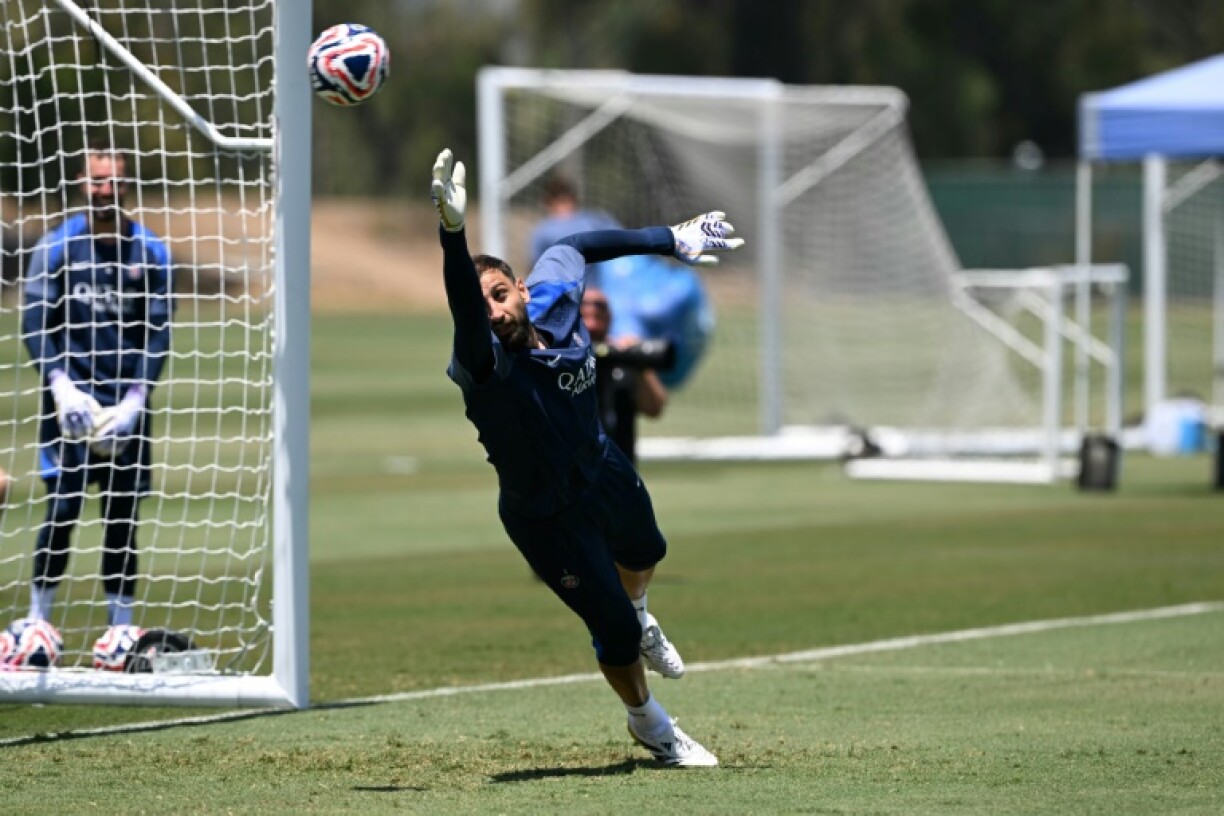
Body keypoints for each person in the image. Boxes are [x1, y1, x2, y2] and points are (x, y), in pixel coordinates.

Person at [431, 148, 742, 767]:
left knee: (648, 552)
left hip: (603, 470)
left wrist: (670, 238)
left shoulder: (555, 296)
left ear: (522, 290)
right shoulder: (484, 363)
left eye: (499, 295)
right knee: (616, 635)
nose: (491, 311)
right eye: (480, 303)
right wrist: (451, 236)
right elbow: (467, 311)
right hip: (543, 516)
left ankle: (641, 611)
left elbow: (577, 242)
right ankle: (650, 724)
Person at [17, 139, 173, 655]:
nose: (105, 190)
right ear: (82, 184)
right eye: (96, 180)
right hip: (71, 408)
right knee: (61, 509)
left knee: (122, 517)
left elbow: (158, 333)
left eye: (114, 181)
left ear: (127, 186)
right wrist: (59, 385)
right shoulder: (57, 247)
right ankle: (38, 620)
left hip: (125, 408)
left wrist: (135, 400)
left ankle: (120, 629)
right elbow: (35, 324)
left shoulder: (150, 251)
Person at [581, 286, 670, 464]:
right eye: (585, 314)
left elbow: (654, 407)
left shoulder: (622, 360)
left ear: (609, 317)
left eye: (599, 314)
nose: (592, 324)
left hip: (620, 467)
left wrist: (637, 361)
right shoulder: (563, 360)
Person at [527, 175, 621, 269]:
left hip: (592, 281)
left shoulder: (592, 220)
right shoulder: (544, 230)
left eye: (564, 200)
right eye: (560, 201)